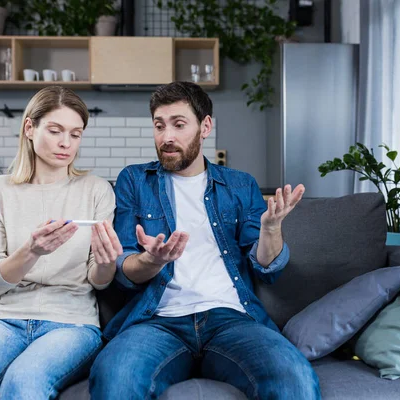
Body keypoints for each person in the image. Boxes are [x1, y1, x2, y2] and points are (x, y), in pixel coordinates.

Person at [89, 81, 321, 399]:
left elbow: (267, 269)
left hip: (230, 317)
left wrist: (270, 230)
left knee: (294, 380)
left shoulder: (240, 185)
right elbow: (123, 270)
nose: (166, 136)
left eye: (179, 124)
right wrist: (151, 261)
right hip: (157, 321)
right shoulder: (135, 180)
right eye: (159, 126)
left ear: (205, 126)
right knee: (114, 378)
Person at [0, 86, 122, 399]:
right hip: (4, 319)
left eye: (75, 134)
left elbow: (99, 282)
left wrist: (106, 262)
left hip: (71, 323)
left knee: (23, 385)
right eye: (55, 130)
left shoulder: (96, 190)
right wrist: (32, 251)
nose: (66, 143)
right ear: (29, 128)